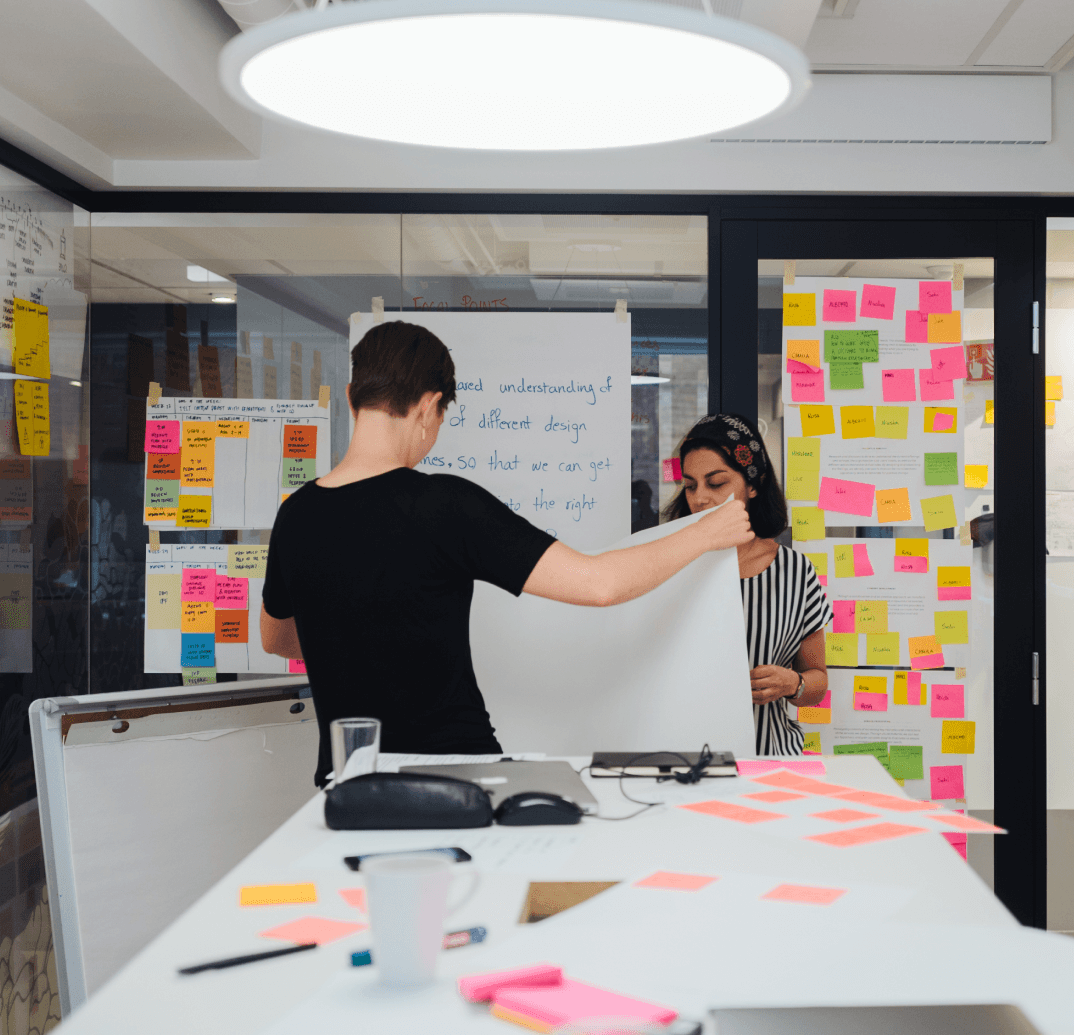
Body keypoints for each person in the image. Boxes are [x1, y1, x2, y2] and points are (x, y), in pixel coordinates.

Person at [260, 321, 752, 783]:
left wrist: (355, 642)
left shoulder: (297, 514)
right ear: (431, 407)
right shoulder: (445, 504)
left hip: (347, 783)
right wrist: (707, 532)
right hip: (457, 777)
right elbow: (600, 584)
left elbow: (277, 639)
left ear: (351, 398)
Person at [666, 413, 831, 756]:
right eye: (691, 484)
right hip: (682, 759)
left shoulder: (794, 572)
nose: (699, 498)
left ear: (752, 485)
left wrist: (792, 683)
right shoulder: (669, 565)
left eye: (716, 483)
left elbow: (817, 682)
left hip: (768, 759)